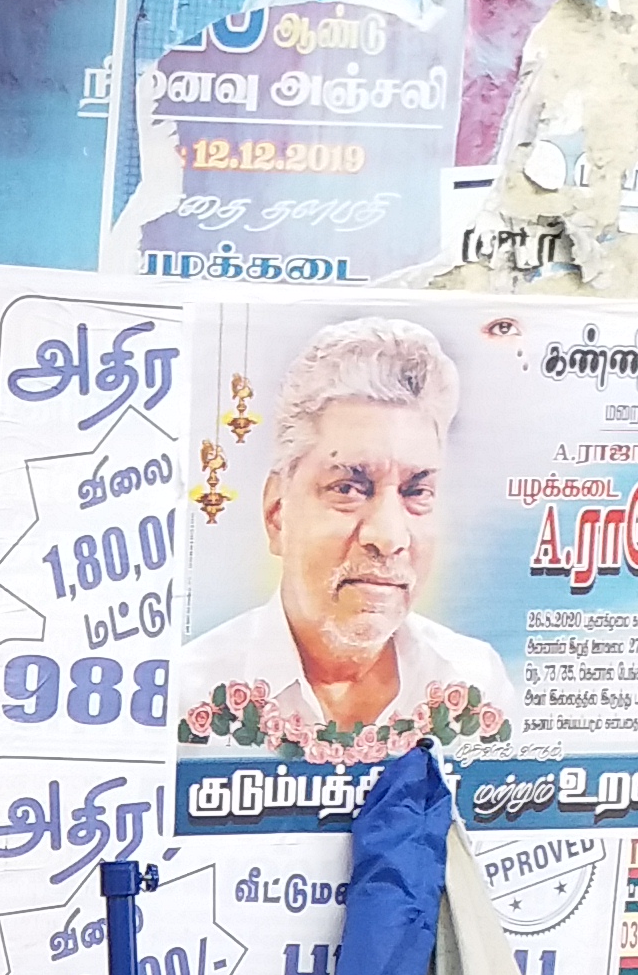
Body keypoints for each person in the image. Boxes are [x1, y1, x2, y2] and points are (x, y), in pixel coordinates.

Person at [173, 315, 516, 761]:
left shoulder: (472, 682)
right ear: (277, 512)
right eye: (349, 489)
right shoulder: (187, 693)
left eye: (417, 492)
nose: (389, 537)